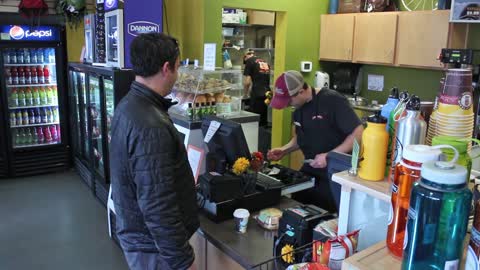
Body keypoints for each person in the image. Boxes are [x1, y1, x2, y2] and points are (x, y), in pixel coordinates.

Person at [109, 33, 199, 270]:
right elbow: (157, 204)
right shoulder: (151, 124)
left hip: (141, 239)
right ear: (166, 68)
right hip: (154, 249)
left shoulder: (129, 104)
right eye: (178, 67)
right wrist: (182, 260)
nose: (177, 75)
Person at [267, 70, 363, 212]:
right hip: (311, 169)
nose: (287, 105)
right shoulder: (298, 109)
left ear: (300, 92)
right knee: (296, 207)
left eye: (289, 101)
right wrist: (284, 150)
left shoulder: (332, 100)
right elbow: (301, 138)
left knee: (324, 214)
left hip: (336, 172)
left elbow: (358, 133)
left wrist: (329, 156)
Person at [243, 51, 271, 126]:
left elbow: (247, 82)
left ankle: (256, 135)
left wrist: (245, 94)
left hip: (257, 93)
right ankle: (264, 135)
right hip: (268, 93)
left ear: (245, 57)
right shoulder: (264, 61)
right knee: (263, 117)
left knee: (255, 119)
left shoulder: (249, 61)